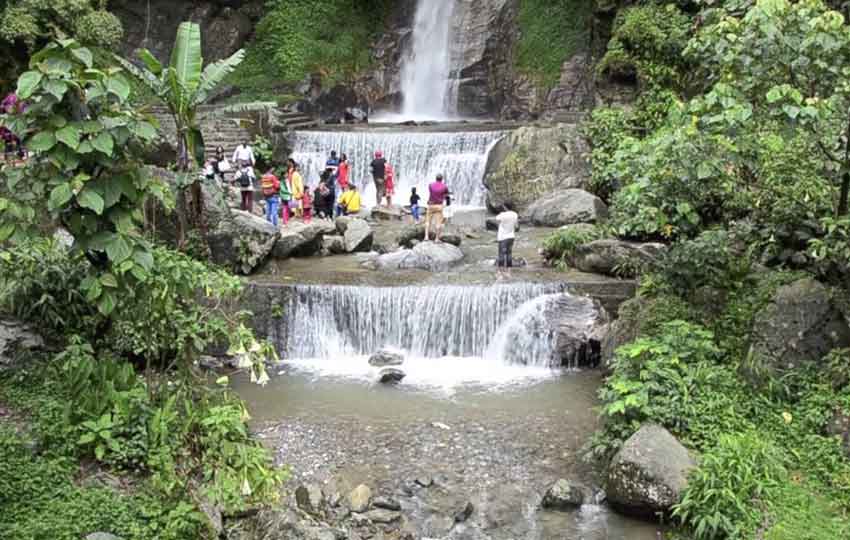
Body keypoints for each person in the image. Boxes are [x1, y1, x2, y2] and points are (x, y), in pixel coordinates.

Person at [424, 174, 449, 242]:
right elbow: (447, 195)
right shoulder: (445, 186)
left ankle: (426, 237)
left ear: (436, 178)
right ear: (442, 179)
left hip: (431, 205)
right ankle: (436, 239)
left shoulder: (430, 185)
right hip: (439, 206)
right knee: (438, 223)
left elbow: (431, 192)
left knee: (428, 221)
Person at [495, 203, 519, 269]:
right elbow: (516, 226)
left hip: (502, 237)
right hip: (511, 236)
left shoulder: (502, 215)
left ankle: (500, 272)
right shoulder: (515, 214)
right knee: (509, 254)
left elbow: (497, 219)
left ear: (505, 207)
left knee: (501, 254)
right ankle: (509, 272)